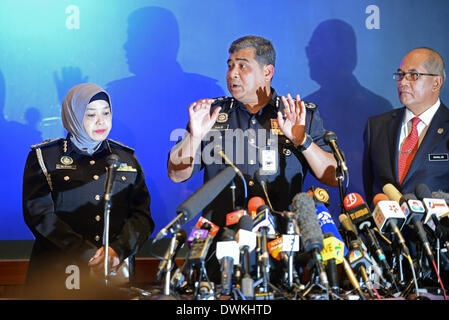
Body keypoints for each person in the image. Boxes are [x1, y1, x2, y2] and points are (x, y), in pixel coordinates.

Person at [168, 35, 338, 283]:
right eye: (229, 65)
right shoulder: (212, 114)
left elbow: (334, 176)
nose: (232, 74)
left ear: (267, 72)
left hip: (283, 249)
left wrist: (303, 141)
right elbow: (176, 174)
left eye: (242, 65)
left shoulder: (297, 114)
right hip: (220, 249)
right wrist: (194, 137)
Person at [22, 83, 154, 299]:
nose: (101, 121)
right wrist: (88, 254)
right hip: (58, 277)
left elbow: (142, 216)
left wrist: (116, 251)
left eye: (106, 113)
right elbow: (39, 215)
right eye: (91, 114)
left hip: (114, 276)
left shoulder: (126, 158)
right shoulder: (45, 158)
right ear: (73, 115)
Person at [363, 47, 448, 206]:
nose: (403, 82)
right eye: (401, 75)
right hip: (387, 229)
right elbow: (369, 187)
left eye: (413, 76)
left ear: (436, 83)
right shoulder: (376, 127)